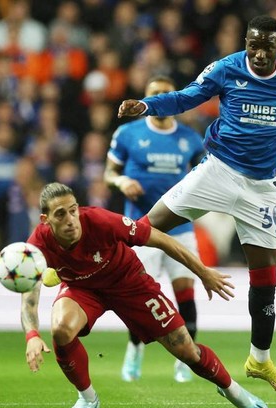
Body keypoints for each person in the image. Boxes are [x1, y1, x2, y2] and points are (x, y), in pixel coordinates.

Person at [117, 14, 276, 394]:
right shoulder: (227, 68)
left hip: (261, 188)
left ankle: (260, 360)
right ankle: (86, 252)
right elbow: (188, 96)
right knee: (149, 226)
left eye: (267, 46)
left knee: (266, 275)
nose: (258, 53)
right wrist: (148, 106)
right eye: (253, 44)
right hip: (218, 171)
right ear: (246, 42)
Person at [22, 182, 269, 408]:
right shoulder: (37, 244)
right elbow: (29, 294)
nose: (70, 220)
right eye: (61, 214)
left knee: (187, 351)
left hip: (128, 283)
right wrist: (32, 336)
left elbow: (162, 239)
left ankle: (232, 390)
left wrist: (202, 272)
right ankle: (87, 399)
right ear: (45, 220)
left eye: (73, 210)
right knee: (61, 330)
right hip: (82, 289)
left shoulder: (101, 220)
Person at [104, 75, 205, 383]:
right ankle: (134, 350)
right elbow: (110, 172)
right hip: (140, 229)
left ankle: (187, 361)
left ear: (173, 98)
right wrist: (122, 182)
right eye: (154, 93)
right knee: (141, 298)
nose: (160, 97)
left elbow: (204, 176)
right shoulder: (127, 133)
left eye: (165, 93)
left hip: (180, 228)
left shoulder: (190, 139)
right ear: (147, 98)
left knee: (185, 294)